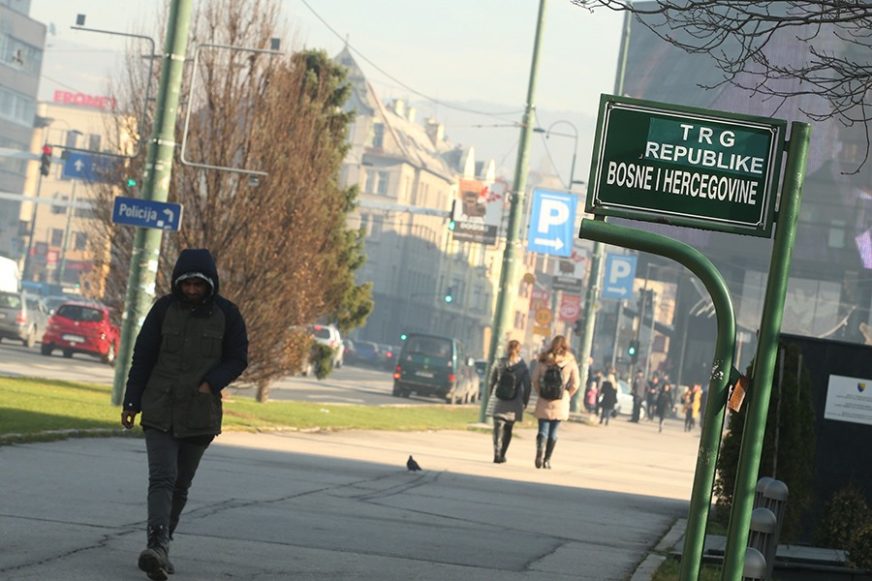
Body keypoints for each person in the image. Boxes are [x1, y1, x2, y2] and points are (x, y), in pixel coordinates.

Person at [121, 249, 249, 581]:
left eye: (198, 285)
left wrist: (212, 383)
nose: (192, 290)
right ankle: (156, 543)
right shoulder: (163, 310)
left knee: (180, 485)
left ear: (210, 285)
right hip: (160, 408)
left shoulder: (227, 315)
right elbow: (142, 357)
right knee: (162, 478)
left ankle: (163, 548)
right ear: (178, 282)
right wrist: (131, 402)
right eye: (187, 284)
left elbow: (238, 358)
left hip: (199, 414)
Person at [532, 335, 580, 469]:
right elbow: (576, 384)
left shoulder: (544, 360)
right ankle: (547, 460)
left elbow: (535, 379)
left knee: (543, 430)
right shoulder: (570, 362)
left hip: (544, 398)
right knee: (553, 432)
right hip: (561, 400)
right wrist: (567, 394)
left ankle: (539, 452)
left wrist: (540, 391)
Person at [488, 339, 532, 463]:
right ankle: (502, 454)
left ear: (507, 348)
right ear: (519, 350)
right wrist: (525, 401)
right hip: (514, 401)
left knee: (497, 427)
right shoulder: (523, 367)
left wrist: (492, 394)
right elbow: (527, 385)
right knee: (508, 429)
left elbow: (492, 380)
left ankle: (496, 452)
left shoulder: (500, 362)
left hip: (499, 398)